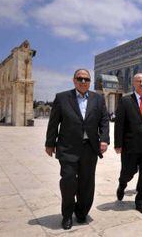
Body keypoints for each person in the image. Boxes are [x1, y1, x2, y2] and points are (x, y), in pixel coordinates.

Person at [45, 69, 109, 230]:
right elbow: (54, 122)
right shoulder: (62, 98)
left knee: (86, 182)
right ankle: (67, 215)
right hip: (68, 147)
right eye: (79, 79)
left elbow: (104, 121)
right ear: (73, 80)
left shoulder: (98, 99)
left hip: (89, 147)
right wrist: (49, 142)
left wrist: (104, 139)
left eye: (86, 79)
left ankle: (81, 212)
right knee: (68, 181)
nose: (83, 82)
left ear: (90, 81)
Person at [114, 73, 142, 215]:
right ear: (133, 83)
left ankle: (141, 202)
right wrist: (118, 143)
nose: (141, 83)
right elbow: (119, 123)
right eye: (139, 81)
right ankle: (122, 184)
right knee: (128, 171)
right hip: (130, 145)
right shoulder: (125, 101)